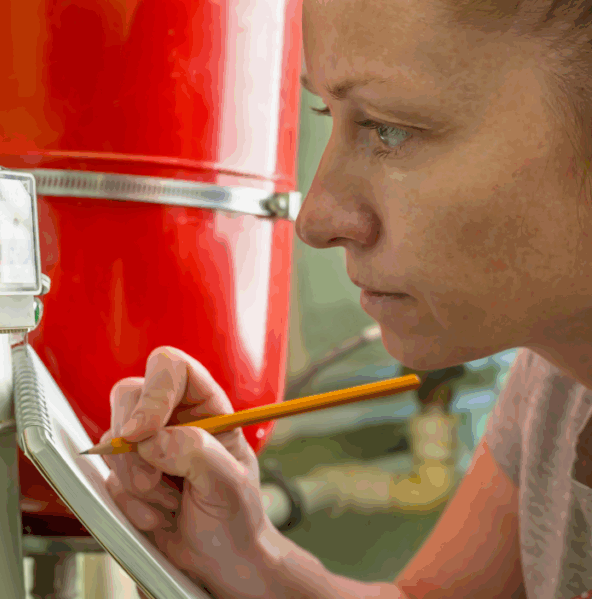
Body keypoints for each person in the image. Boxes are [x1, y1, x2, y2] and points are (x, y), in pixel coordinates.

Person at [103, 1, 592, 597]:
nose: (315, 219)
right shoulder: (555, 380)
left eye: (388, 129)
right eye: (324, 111)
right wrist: (249, 554)